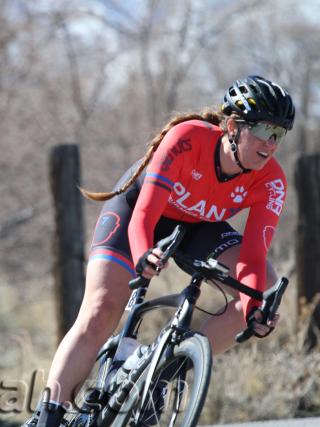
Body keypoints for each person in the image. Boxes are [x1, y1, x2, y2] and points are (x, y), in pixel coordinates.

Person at [25, 75, 295, 427]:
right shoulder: (187, 139)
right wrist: (142, 254)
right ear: (232, 126)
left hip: (199, 226)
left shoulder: (271, 180)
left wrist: (256, 308)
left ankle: (165, 371)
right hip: (139, 212)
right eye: (263, 130)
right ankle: (49, 415)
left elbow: (254, 257)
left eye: (279, 135)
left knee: (260, 289)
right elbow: (144, 216)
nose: (271, 143)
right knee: (100, 309)